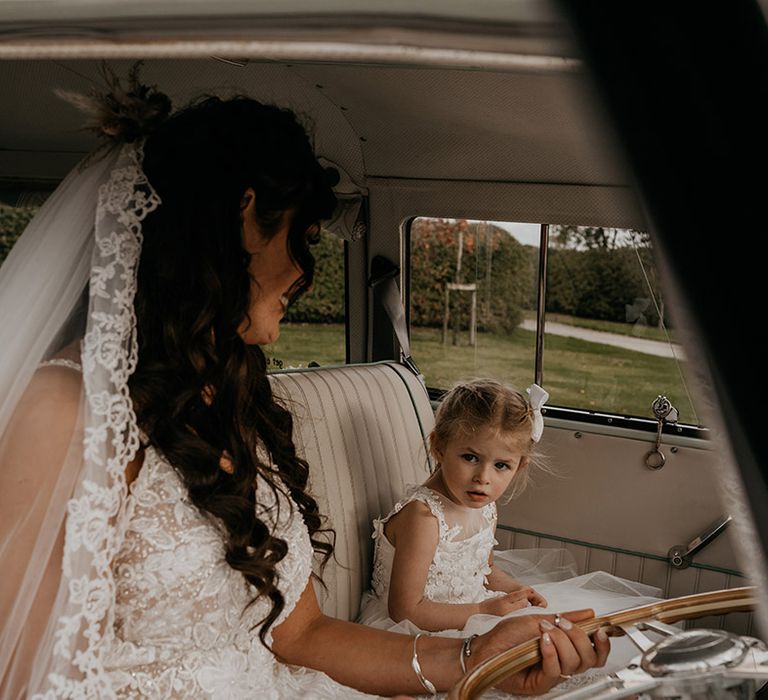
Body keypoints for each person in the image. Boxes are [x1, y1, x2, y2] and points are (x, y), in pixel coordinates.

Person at [0, 66, 610, 698]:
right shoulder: (64, 410)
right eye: (303, 236)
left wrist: (476, 658)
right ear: (242, 220)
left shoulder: (236, 402)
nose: (304, 273)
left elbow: (302, 634)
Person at [358, 379, 663, 689]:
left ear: (519, 466)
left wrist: (518, 590)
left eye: (501, 465)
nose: (483, 478)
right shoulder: (423, 517)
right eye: (470, 457)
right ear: (439, 447)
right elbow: (406, 610)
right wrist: (484, 610)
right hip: (415, 632)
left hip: (475, 611)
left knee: (572, 655)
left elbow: (484, 569)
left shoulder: (484, 507)